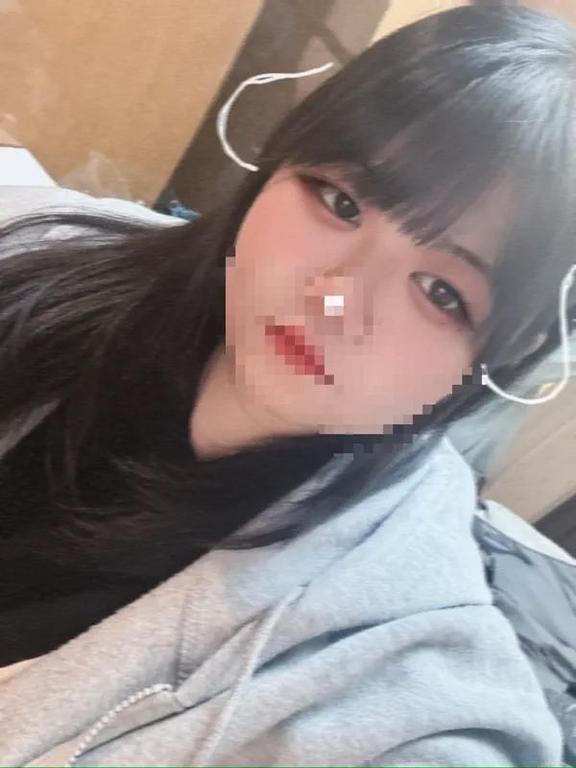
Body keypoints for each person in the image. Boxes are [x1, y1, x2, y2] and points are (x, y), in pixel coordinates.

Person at [0, 5, 575, 766]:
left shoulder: (399, 680)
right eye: (341, 202)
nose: (334, 303)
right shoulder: (41, 254)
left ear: (496, 360)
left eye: (442, 293)